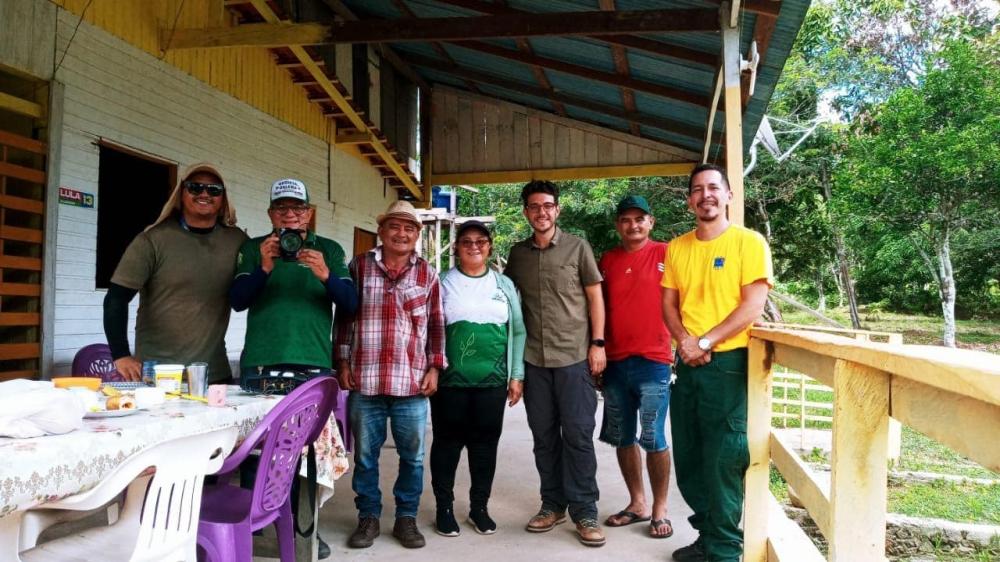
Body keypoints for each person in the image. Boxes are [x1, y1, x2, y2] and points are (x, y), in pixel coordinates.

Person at [661, 164, 774, 562]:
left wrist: (705, 340)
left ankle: (726, 549)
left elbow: (753, 306)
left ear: (728, 195)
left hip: (728, 363)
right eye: (697, 189)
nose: (705, 195)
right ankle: (707, 536)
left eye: (713, 187)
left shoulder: (749, 242)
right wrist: (685, 342)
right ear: (690, 199)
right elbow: (669, 305)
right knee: (690, 455)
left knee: (724, 455)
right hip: (688, 363)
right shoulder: (677, 247)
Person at [335, 200, 446, 550]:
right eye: (395, 226)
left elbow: (436, 324)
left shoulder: (427, 273)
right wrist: (342, 362)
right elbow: (345, 318)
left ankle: (406, 519)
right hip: (365, 381)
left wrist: (434, 366)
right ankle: (367, 517)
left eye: (409, 228)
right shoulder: (360, 266)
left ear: (417, 235)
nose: (402, 233)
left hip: (411, 382)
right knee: (366, 457)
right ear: (381, 231)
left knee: (412, 457)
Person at [503, 180, 607, 548]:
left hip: (574, 357)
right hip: (534, 361)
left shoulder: (578, 248)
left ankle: (584, 509)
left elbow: (595, 297)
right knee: (544, 437)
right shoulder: (517, 255)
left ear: (557, 210)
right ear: (526, 212)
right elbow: (510, 309)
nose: (541, 212)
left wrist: (598, 343)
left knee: (578, 435)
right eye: (534, 206)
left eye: (547, 205)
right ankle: (552, 503)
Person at [103, 162, 247, 384]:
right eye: (195, 187)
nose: (204, 194)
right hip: (159, 374)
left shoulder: (237, 241)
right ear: (181, 193)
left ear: (223, 199)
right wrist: (121, 354)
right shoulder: (152, 240)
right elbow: (116, 298)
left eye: (214, 190)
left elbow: (262, 283)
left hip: (215, 373)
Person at [431, 220, 526, 538]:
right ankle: (444, 508)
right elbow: (429, 329)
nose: (474, 246)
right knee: (447, 445)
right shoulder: (442, 281)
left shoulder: (504, 285)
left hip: (493, 383)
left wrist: (516, 375)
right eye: (467, 241)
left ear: (489, 246)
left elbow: (518, 330)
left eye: (481, 241)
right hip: (449, 383)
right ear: (456, 246)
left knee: (485, 447)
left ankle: (479, 508)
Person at [598, 195, 675, 539]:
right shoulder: (608, 260)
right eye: (626, 220)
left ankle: (660, 508)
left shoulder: (667, 254)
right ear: (618, 226)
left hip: (654, 361)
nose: (634, 225)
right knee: (622, 436)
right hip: (615, 361)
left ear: (651, 222)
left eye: (640, 219)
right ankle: (637, 503)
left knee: (654, 436)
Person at [230, 178, 357, 380]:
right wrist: (263, 269)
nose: (289, 214)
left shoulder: (329, 249)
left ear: (309, 212)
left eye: (298, 208)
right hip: (261, 359)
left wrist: (326, 275)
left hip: (313, 358)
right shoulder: (254, 248)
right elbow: (237, 302)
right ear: (270, 214)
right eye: (281, 208)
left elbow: (351, 304)